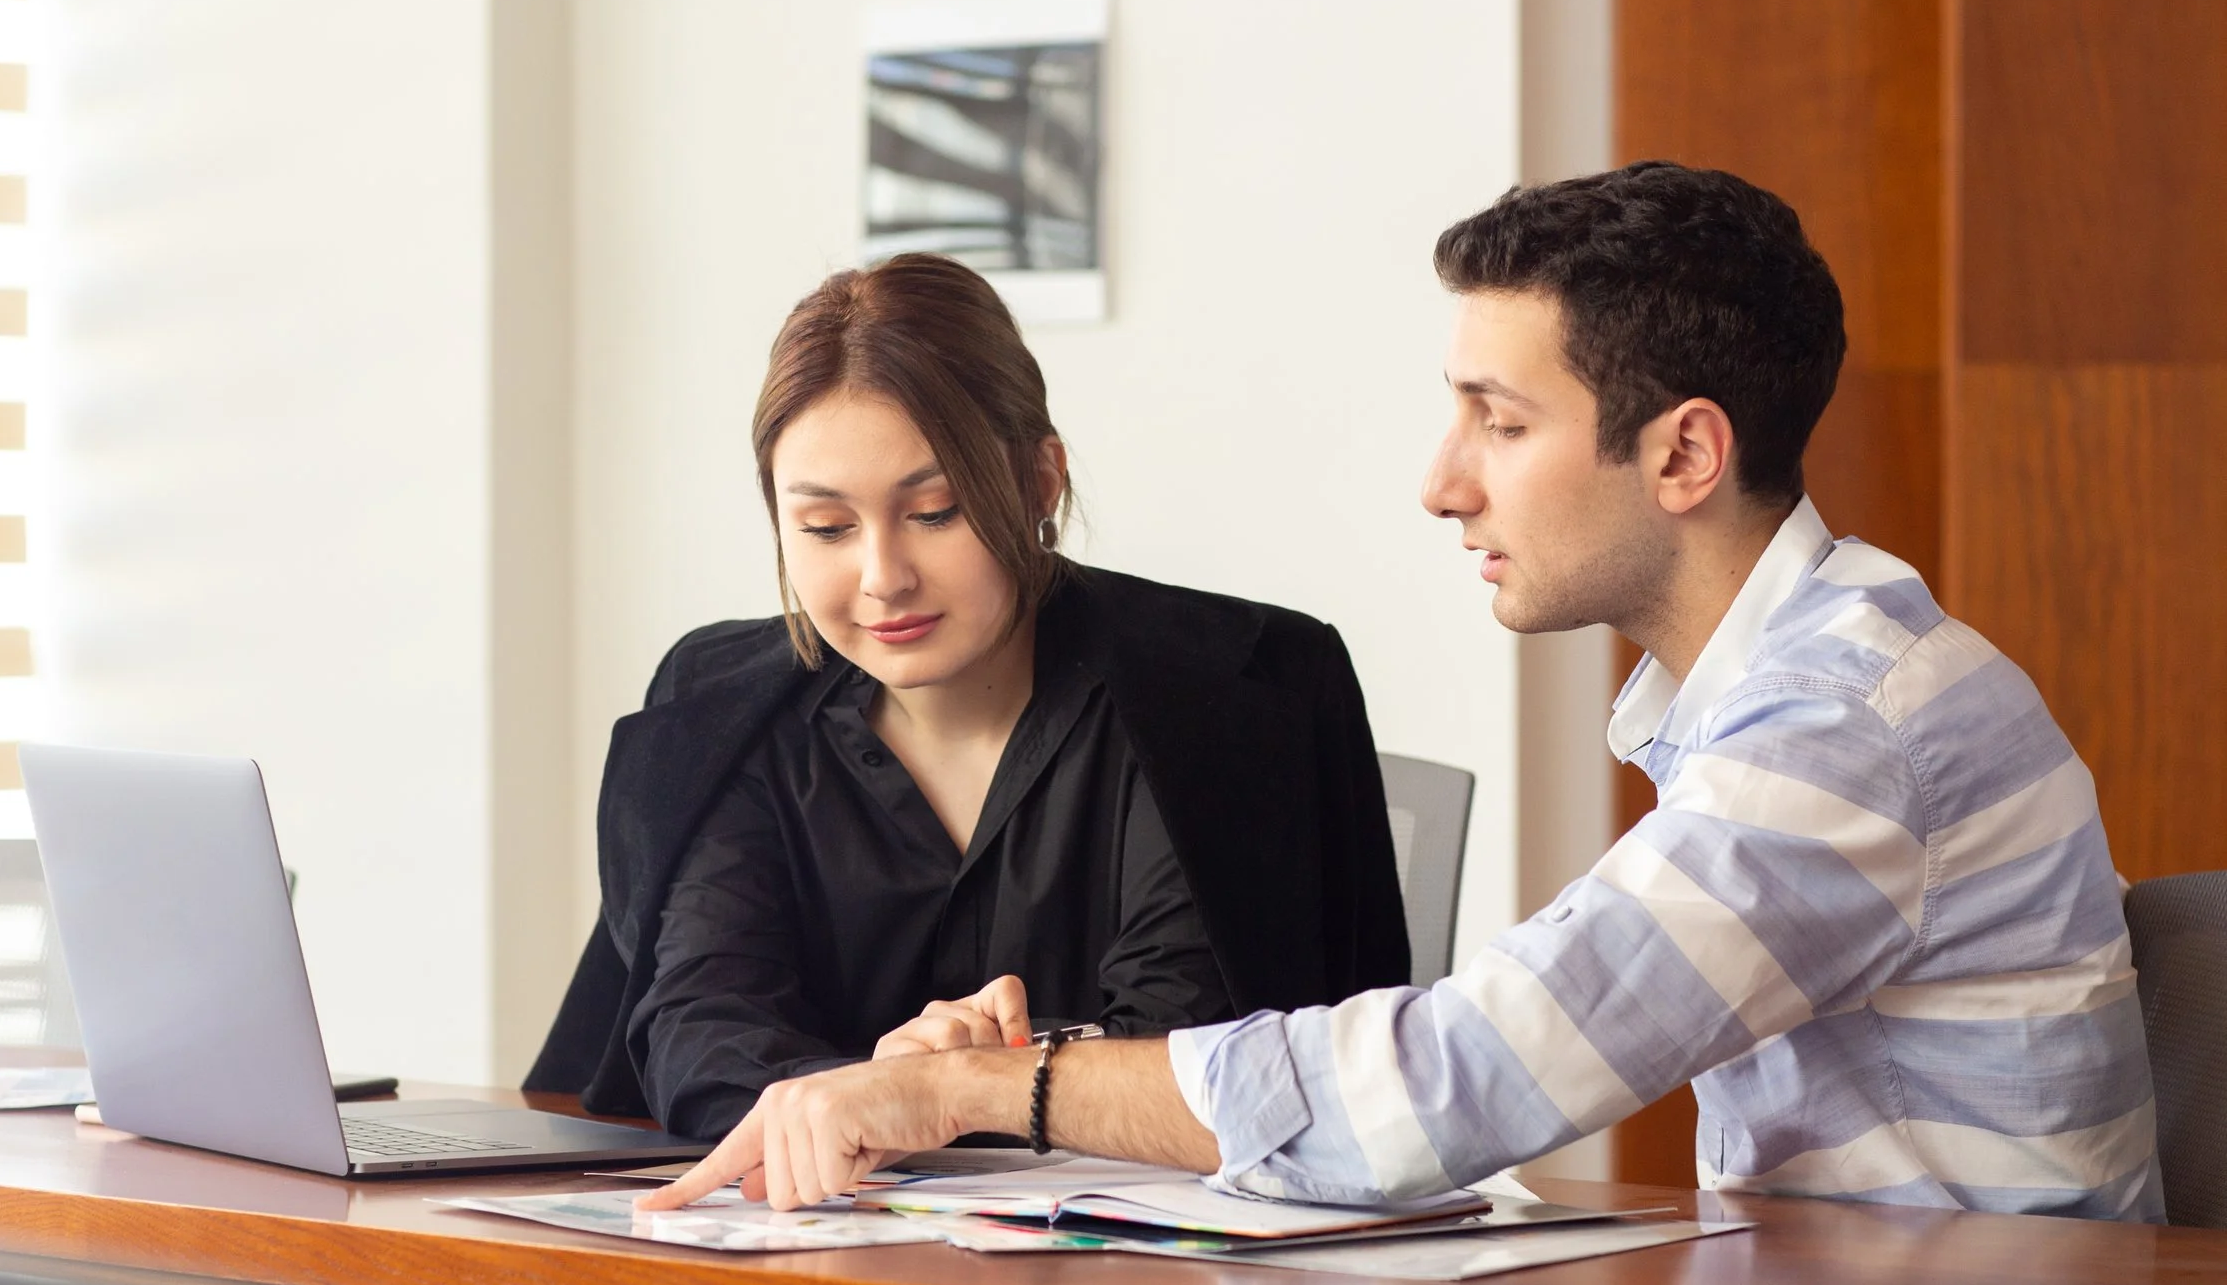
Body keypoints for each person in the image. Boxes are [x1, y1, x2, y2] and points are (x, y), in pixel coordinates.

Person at [645, 162, 2163, 1222]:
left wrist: (983, 1086)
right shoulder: (1791, 694)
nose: (1442, 485)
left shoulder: (1849, 733)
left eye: (1498, 423)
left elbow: (1451, 1083)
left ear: (1684, 456)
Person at [526, 252, 1411, 1136]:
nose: (882, 578)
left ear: (1039, 481)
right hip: (809, 1244)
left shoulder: (1228, 689)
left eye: (935, 512)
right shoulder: (721, 708)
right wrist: (880, 1089)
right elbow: (698, 1033)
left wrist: (938, 1093)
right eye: (826, 527)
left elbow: (1199, 1059)